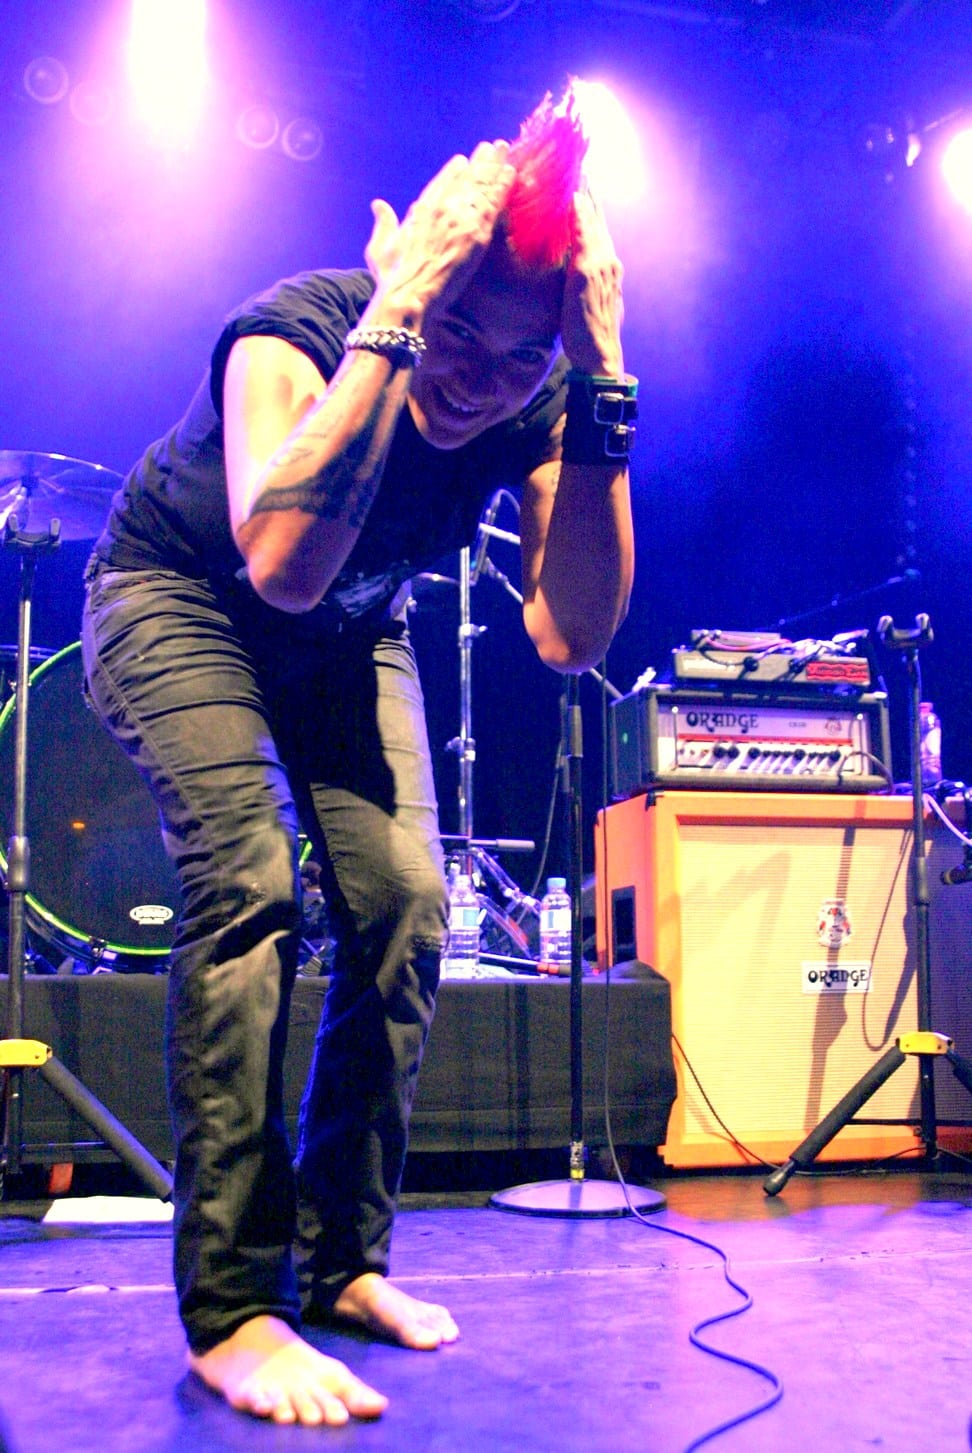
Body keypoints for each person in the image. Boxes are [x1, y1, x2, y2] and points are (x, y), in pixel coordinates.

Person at [80, 84, 636, 1426]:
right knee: (250, 879)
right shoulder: (298, 331)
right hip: (181, 598)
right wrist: (398, 318)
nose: (476, 383)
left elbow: (570, 633)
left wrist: (600, 381)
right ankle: (234, 1308)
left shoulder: (534, 403)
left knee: (406, 905)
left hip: (345, 635)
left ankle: (343, 1264)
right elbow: (279, 564)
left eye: (520, 359)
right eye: (460, 335)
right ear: (422, 284)